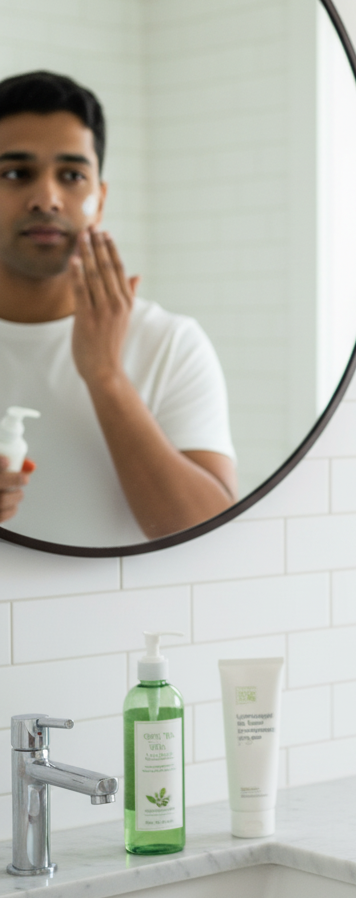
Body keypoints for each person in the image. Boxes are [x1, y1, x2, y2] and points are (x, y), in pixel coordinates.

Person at [0, 71, 236, 546]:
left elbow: (208, 536)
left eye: (72, 176)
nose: (46, 199)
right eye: (15, 173)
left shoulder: (170, 343)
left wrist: (105, 373)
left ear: (100, 199)